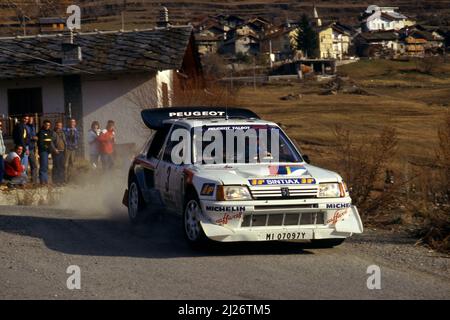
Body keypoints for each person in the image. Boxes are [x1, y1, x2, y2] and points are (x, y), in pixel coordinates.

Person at [37, 120, 54, 185]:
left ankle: (46, 180)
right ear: (43, 124)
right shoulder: (41, 132)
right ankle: (42, 181)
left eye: (49, 125)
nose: (47, 126)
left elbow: (50, 142)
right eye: (46, 125)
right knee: (43, 166)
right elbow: (41, 143)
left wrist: (50, 149)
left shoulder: (50, 132)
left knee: (46, 166)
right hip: (43, 151)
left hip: (47, 151)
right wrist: (47, 148)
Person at [26, 116, 38, 183]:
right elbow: (25, 137)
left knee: (34, 165)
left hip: (32, 148)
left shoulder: (33, 127)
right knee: (25, 166)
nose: (30, 120)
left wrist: (35, 138)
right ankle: (24, 181)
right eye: (29, 119)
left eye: (31, 119)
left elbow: (34, 135)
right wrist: (32, 137)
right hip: (26, 148)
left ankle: (34, 181)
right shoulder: (26, 127)